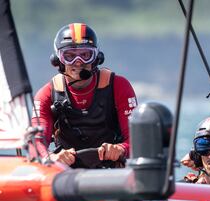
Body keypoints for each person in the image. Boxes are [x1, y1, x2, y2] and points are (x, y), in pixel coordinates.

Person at [32, 23, 137, 168]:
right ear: (58, 60)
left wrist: (121, 149)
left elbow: (137, 139)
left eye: (85, 55)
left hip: (114, 175)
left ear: (96, 57)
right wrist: (51, 157)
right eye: (69, 56)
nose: (78, 62)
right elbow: (36, 142)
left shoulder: (119, 86)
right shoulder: (46, 95)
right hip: (66, 176)